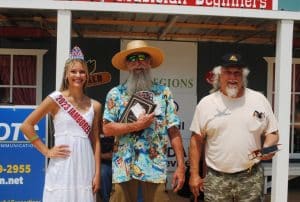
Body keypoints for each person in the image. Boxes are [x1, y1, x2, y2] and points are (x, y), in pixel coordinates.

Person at [189, 53, 279, 202]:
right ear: (219, 75)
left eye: (237, 73)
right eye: (227, 72)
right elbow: (196, 140)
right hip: (216, 178)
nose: (232, 78)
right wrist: (194, 174)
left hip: (251, 177)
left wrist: (269, 146)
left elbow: (273, 132)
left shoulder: (259, 100)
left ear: (243, 76)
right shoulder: (206, 103)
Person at [102, 40, 185, 202]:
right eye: (133, 59)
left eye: (143, 57)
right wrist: (136, 125)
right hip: (124, 166)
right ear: (126, 64)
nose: (138, 63)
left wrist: (181, 166)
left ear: (149, 63)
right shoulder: (115, 94)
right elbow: (107, 129)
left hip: (154, 166)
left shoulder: (163, 93)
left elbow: (173, 131)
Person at [20, 46, 101, 202]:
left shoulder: (94, 106)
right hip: (62, 163)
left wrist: (97, 173)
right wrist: (46, 151)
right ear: (66, 74)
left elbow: (96, 140)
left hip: (85, 165)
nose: (78, 75)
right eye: (73, 71)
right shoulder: (55, 99)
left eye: (82, 72)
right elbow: (26, 126)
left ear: (87, 75)